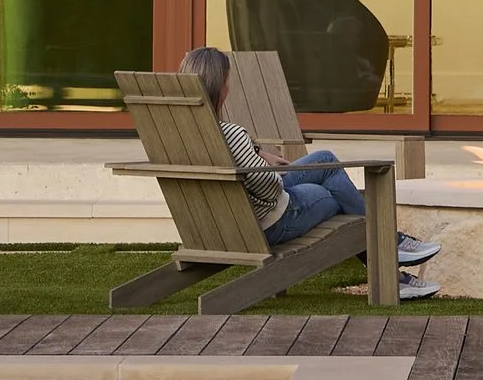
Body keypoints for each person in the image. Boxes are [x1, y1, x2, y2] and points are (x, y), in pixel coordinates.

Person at [180, 45, 440, 285]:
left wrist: (257, 153)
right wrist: (264, 166)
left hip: (221, 223)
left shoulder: (182, 135)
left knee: (325, 159)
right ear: (220, 85)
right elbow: (271, 190)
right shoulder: (232, 134)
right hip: (270, 221)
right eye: (228, 78)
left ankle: (394, 257)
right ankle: (391, 260)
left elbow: (239, 158)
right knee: (335, 192)